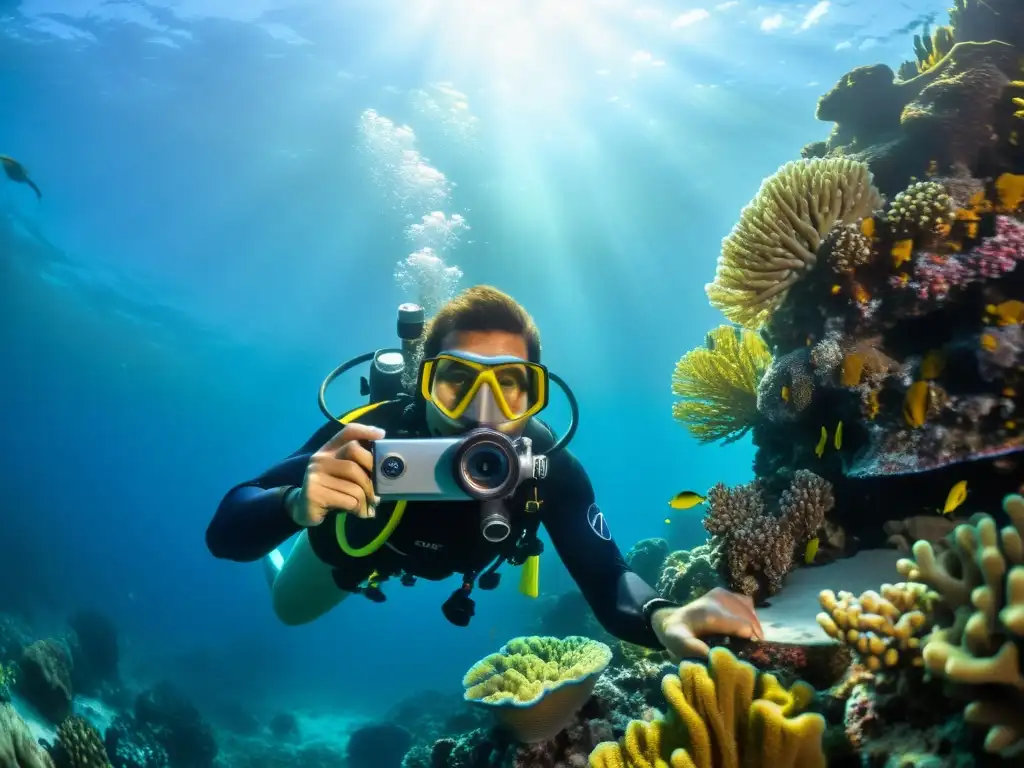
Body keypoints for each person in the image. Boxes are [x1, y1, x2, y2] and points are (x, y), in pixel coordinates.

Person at [206, 285, 763, 659]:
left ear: (534, 395)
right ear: (421, 384)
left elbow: (606, 573)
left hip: (445, 559)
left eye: (511, 384)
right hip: (356, 557)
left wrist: (664, 618)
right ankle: (285, 557)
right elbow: (225, 530)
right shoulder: (369, 437)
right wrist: (291, 507)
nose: (483, 409)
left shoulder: (547, 468)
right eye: (457, 379)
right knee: (289, 610)